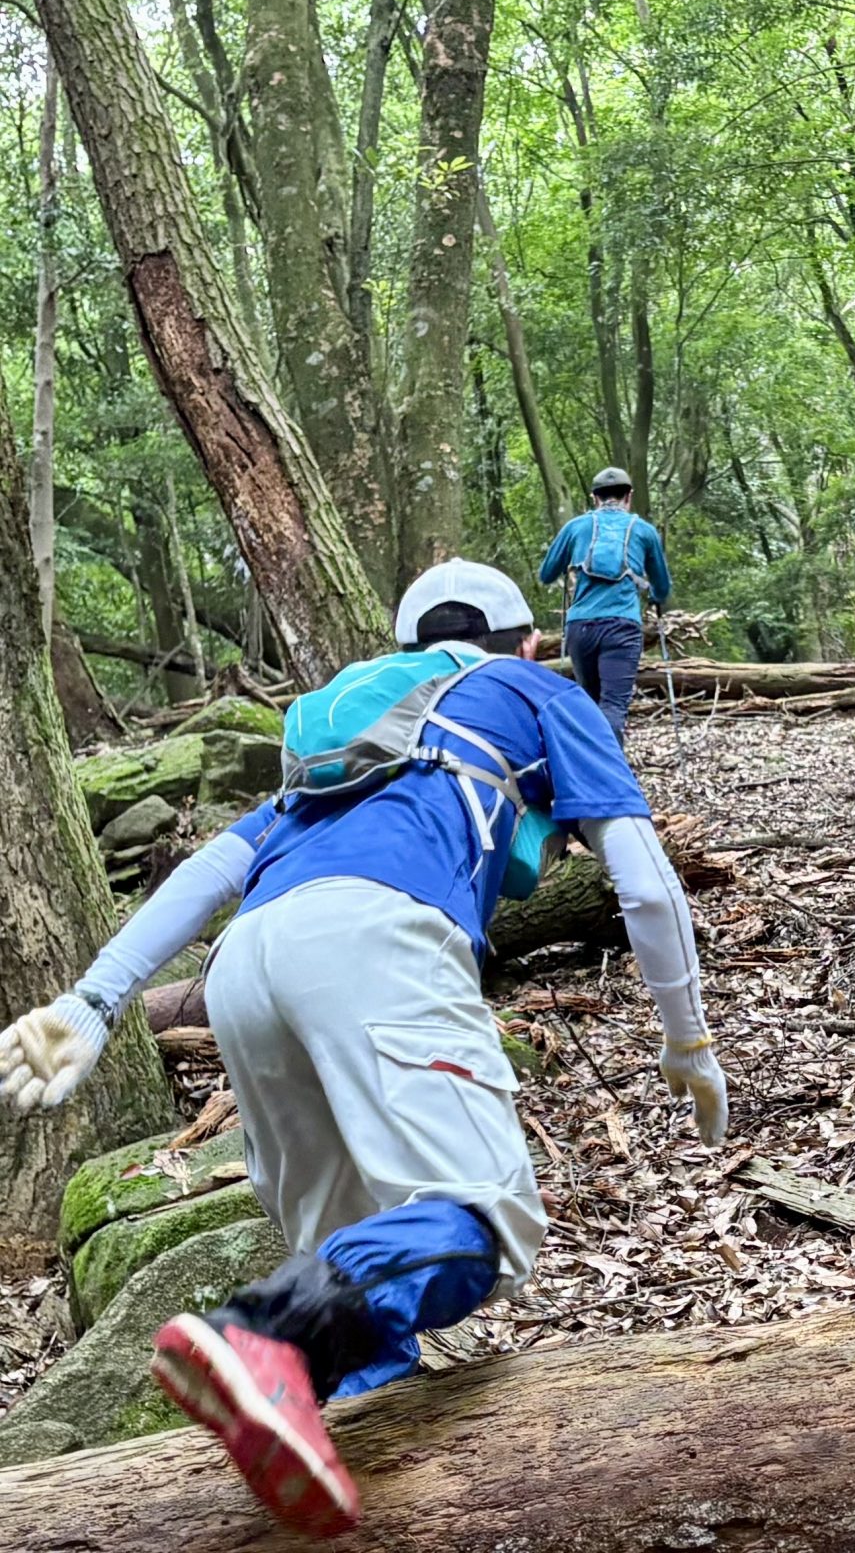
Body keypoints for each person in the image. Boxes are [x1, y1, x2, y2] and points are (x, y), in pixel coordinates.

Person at [0, 561, 726, 1537]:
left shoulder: (349, 747)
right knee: (480, 1220)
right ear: (524, 642)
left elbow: (214, 870)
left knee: (358, 1286)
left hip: (247, 971)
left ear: (404, 650)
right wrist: (686, 1036)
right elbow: (642, 883)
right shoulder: (538, 690)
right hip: (379, 941)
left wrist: (91, 1002)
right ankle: (263, 1332)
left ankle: (321, 1430)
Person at [538, 466, 672, 742]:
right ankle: (610, 773)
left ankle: (587, 769)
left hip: (580, 627)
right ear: (629, 497)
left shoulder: (576, 527)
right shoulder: (644, 531)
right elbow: (663, 585)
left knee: (588, 705)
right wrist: (655, 597)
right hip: (621, 627)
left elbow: (546, 574)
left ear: (595, 498)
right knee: (613, 707)